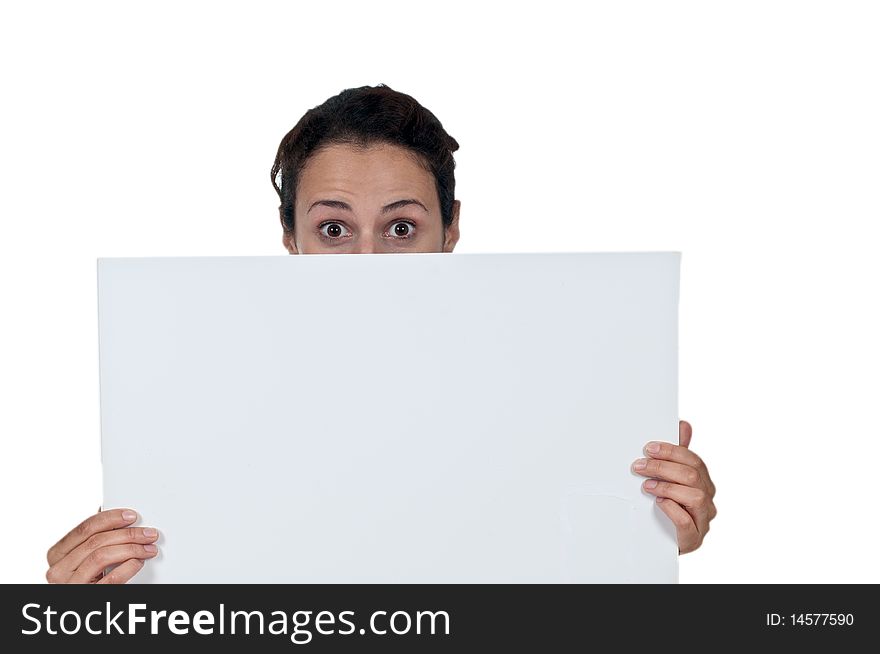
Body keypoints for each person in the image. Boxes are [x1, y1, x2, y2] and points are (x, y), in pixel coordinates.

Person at [45, 84, 717, 584]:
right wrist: (90, 607)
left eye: (401, 228)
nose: (367, 262)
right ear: (292, 239)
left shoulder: (552, 381)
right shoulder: (200, 402)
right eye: (334, 229)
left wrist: (653, 531)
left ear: (450, 229)